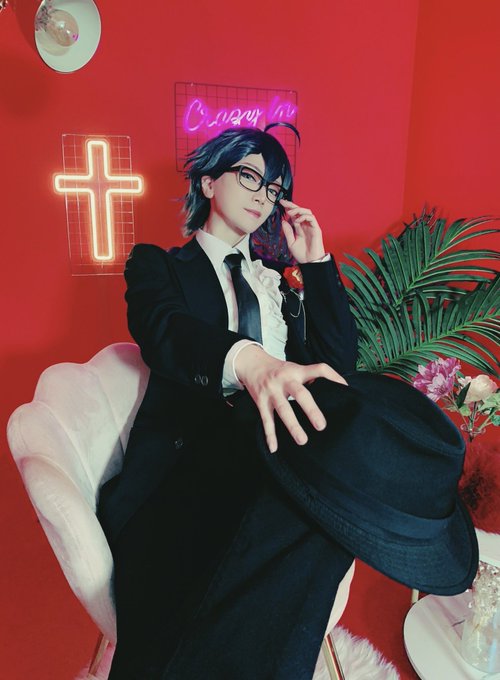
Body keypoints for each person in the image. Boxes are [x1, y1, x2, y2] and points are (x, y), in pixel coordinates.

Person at [97, 124, 359, 679]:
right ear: (209, 181)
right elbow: (164, 330)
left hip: (275, 460)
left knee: (328, 522)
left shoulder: (279, 284)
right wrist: (250, 362)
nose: (263, 195)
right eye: (249, 176)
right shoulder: (158, 266)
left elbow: (339, 367)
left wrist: (315, 263)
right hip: (187, 465)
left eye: (274, 187)